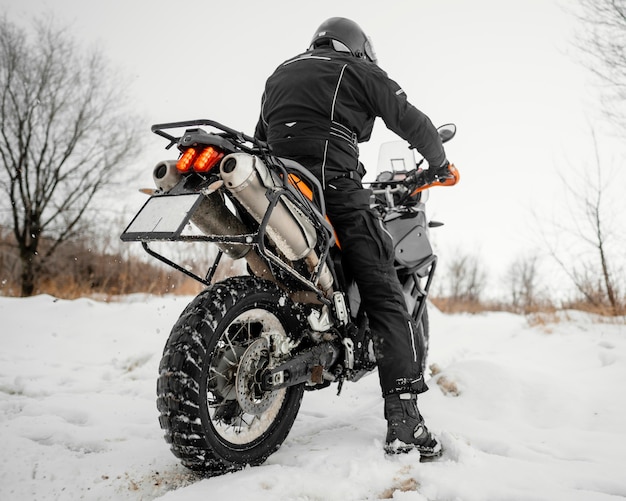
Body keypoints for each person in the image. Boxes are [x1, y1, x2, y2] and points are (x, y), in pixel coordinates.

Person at [254, 17, 453, 458]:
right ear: (358, 48)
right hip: (333, 183)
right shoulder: (357, 70)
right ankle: (403, 418)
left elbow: (260, 138)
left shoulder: (280, 73)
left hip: (279, 188)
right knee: (384, 289)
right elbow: (411, 121)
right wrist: (440, 163)